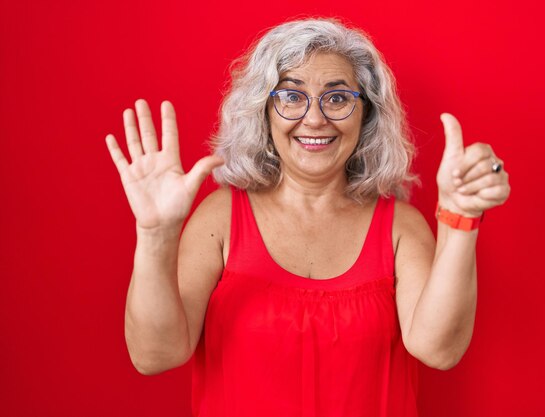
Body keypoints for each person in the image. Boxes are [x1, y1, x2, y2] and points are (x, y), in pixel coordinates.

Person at [105, 17, 510, 417]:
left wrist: (461, 217)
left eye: (337, 98)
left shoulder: (400, 226)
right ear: (263, 111)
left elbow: (438, 349)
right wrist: (155, 234)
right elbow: (153, 355)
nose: (314, 118)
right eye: (291, 96)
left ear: (365, 115)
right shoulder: (220, 218)